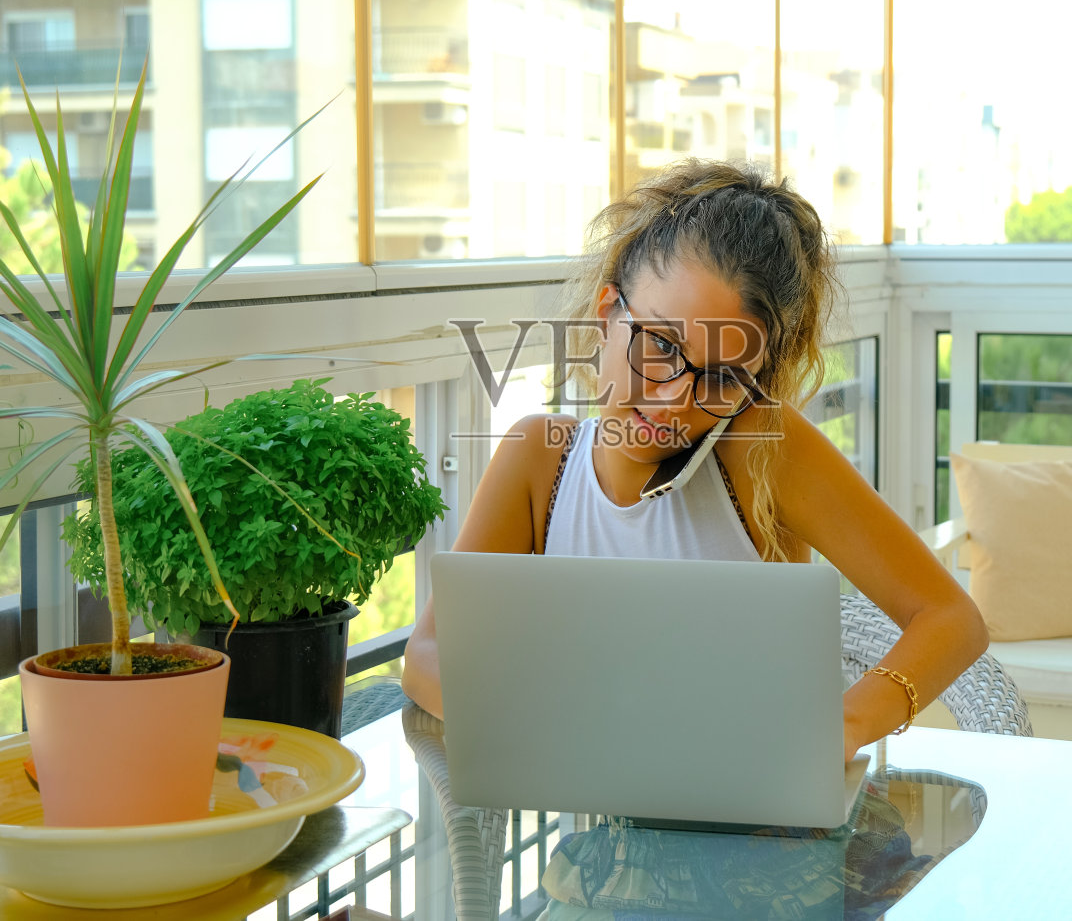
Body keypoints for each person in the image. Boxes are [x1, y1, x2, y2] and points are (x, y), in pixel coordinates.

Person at [401, 159, 987, 759]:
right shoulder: (536, 463)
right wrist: (561, 719)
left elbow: (950, 618)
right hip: (606, 826)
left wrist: (851, 722)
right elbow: (426, 656)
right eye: (661, 345)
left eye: (723, 377)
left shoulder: (762, 450)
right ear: (609, 312)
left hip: (769, 828)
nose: (674, 399)